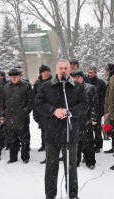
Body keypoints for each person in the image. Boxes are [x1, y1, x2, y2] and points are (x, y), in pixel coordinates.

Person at [35, 59, 89, 199]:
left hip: (70, 133)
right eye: (61, 68)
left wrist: (70, 112)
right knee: (51, 168)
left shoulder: (78, 87)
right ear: (56, 70)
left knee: (70, 168)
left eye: (66, 68)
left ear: (69, 70)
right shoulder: (46, 86)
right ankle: (50, 194)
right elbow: (39, 103)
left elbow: (85, 104)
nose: (63, 70)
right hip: (51, 133)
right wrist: (53, 111)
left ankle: (72, 194)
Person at [0, 68, 34, 164]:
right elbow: (2, 102)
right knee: (12, 139)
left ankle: (25, 156)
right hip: (9, 116)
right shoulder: (6, 87)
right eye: (11, 77)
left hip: (22, 117)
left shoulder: (26, 86)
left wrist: (25, 111)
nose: (13, 78)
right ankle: (13, 157)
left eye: (15, 76)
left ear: (20, 76)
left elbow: (30, 101)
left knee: (25, 139)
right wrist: (2, 115)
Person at [71, 70, 99, 170]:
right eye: (74, 77)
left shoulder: (90, 88)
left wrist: (94, 117)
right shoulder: (69, 88)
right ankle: (75, 160)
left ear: (82, 77)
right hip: (74, 118)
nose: (76, 79)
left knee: (88, 142)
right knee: (75, 141)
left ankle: (90, 161)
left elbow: (95, 104)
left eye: (78, 77)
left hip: (86, 119)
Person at [33, 64, 52, 153]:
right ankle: (44, 144)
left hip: (52, 109)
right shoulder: (37, 83)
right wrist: (35, 112)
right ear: (41, 73)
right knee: (43, 129)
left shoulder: (53, 81)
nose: (46, 73)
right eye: (44, 72)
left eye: (47, 71)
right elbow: (34, 98)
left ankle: (53, 145)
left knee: (52, 129)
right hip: (41, 109)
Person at [88, 66, 106, 153]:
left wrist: (102, 108)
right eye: (89, 72)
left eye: (92, 72)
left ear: (95, 73)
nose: (90, 74)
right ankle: (91, 144)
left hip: (98, 108)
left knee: (97, 129)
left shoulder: (101, 83)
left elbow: (103, 97)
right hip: (88, 108)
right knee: (89, 128)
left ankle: (98, 144)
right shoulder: (86, 82)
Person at [104, 63, 114, 154]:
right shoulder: (111, 79)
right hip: (111, 106)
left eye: (107, 70)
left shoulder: (113, 78)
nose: (106, 72)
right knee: (112, 127)